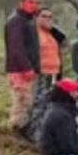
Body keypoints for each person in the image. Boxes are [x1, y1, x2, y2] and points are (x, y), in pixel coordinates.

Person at [24, 8, 68, 142]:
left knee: (48, 105)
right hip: (40, 74)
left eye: (50, 17)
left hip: (54, 74)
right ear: (36, 18)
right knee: (38, 104)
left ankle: (43, 134)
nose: (48, 19)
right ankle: (33, 135)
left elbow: (64, 39)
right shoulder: (32, 33)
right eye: (44, 16)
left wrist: (52, 27)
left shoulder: (52, 34)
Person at [3, 0, 41, 135]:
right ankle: (16, 132)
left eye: (37, 3)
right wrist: (26, 68)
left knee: (28, 103)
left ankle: (24, 131)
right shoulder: (16, 21)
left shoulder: (29, 21)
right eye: (31, 2)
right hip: (19, 70)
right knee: (21, 102)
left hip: (30, 69)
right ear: (22, 3)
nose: (34, 5)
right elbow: (16, 48)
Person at [37, 79, 78, 155]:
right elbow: (68, 147)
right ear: (70, 95)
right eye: (75, 91)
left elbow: (64, 138)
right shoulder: (63, 116)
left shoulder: (58, 109)